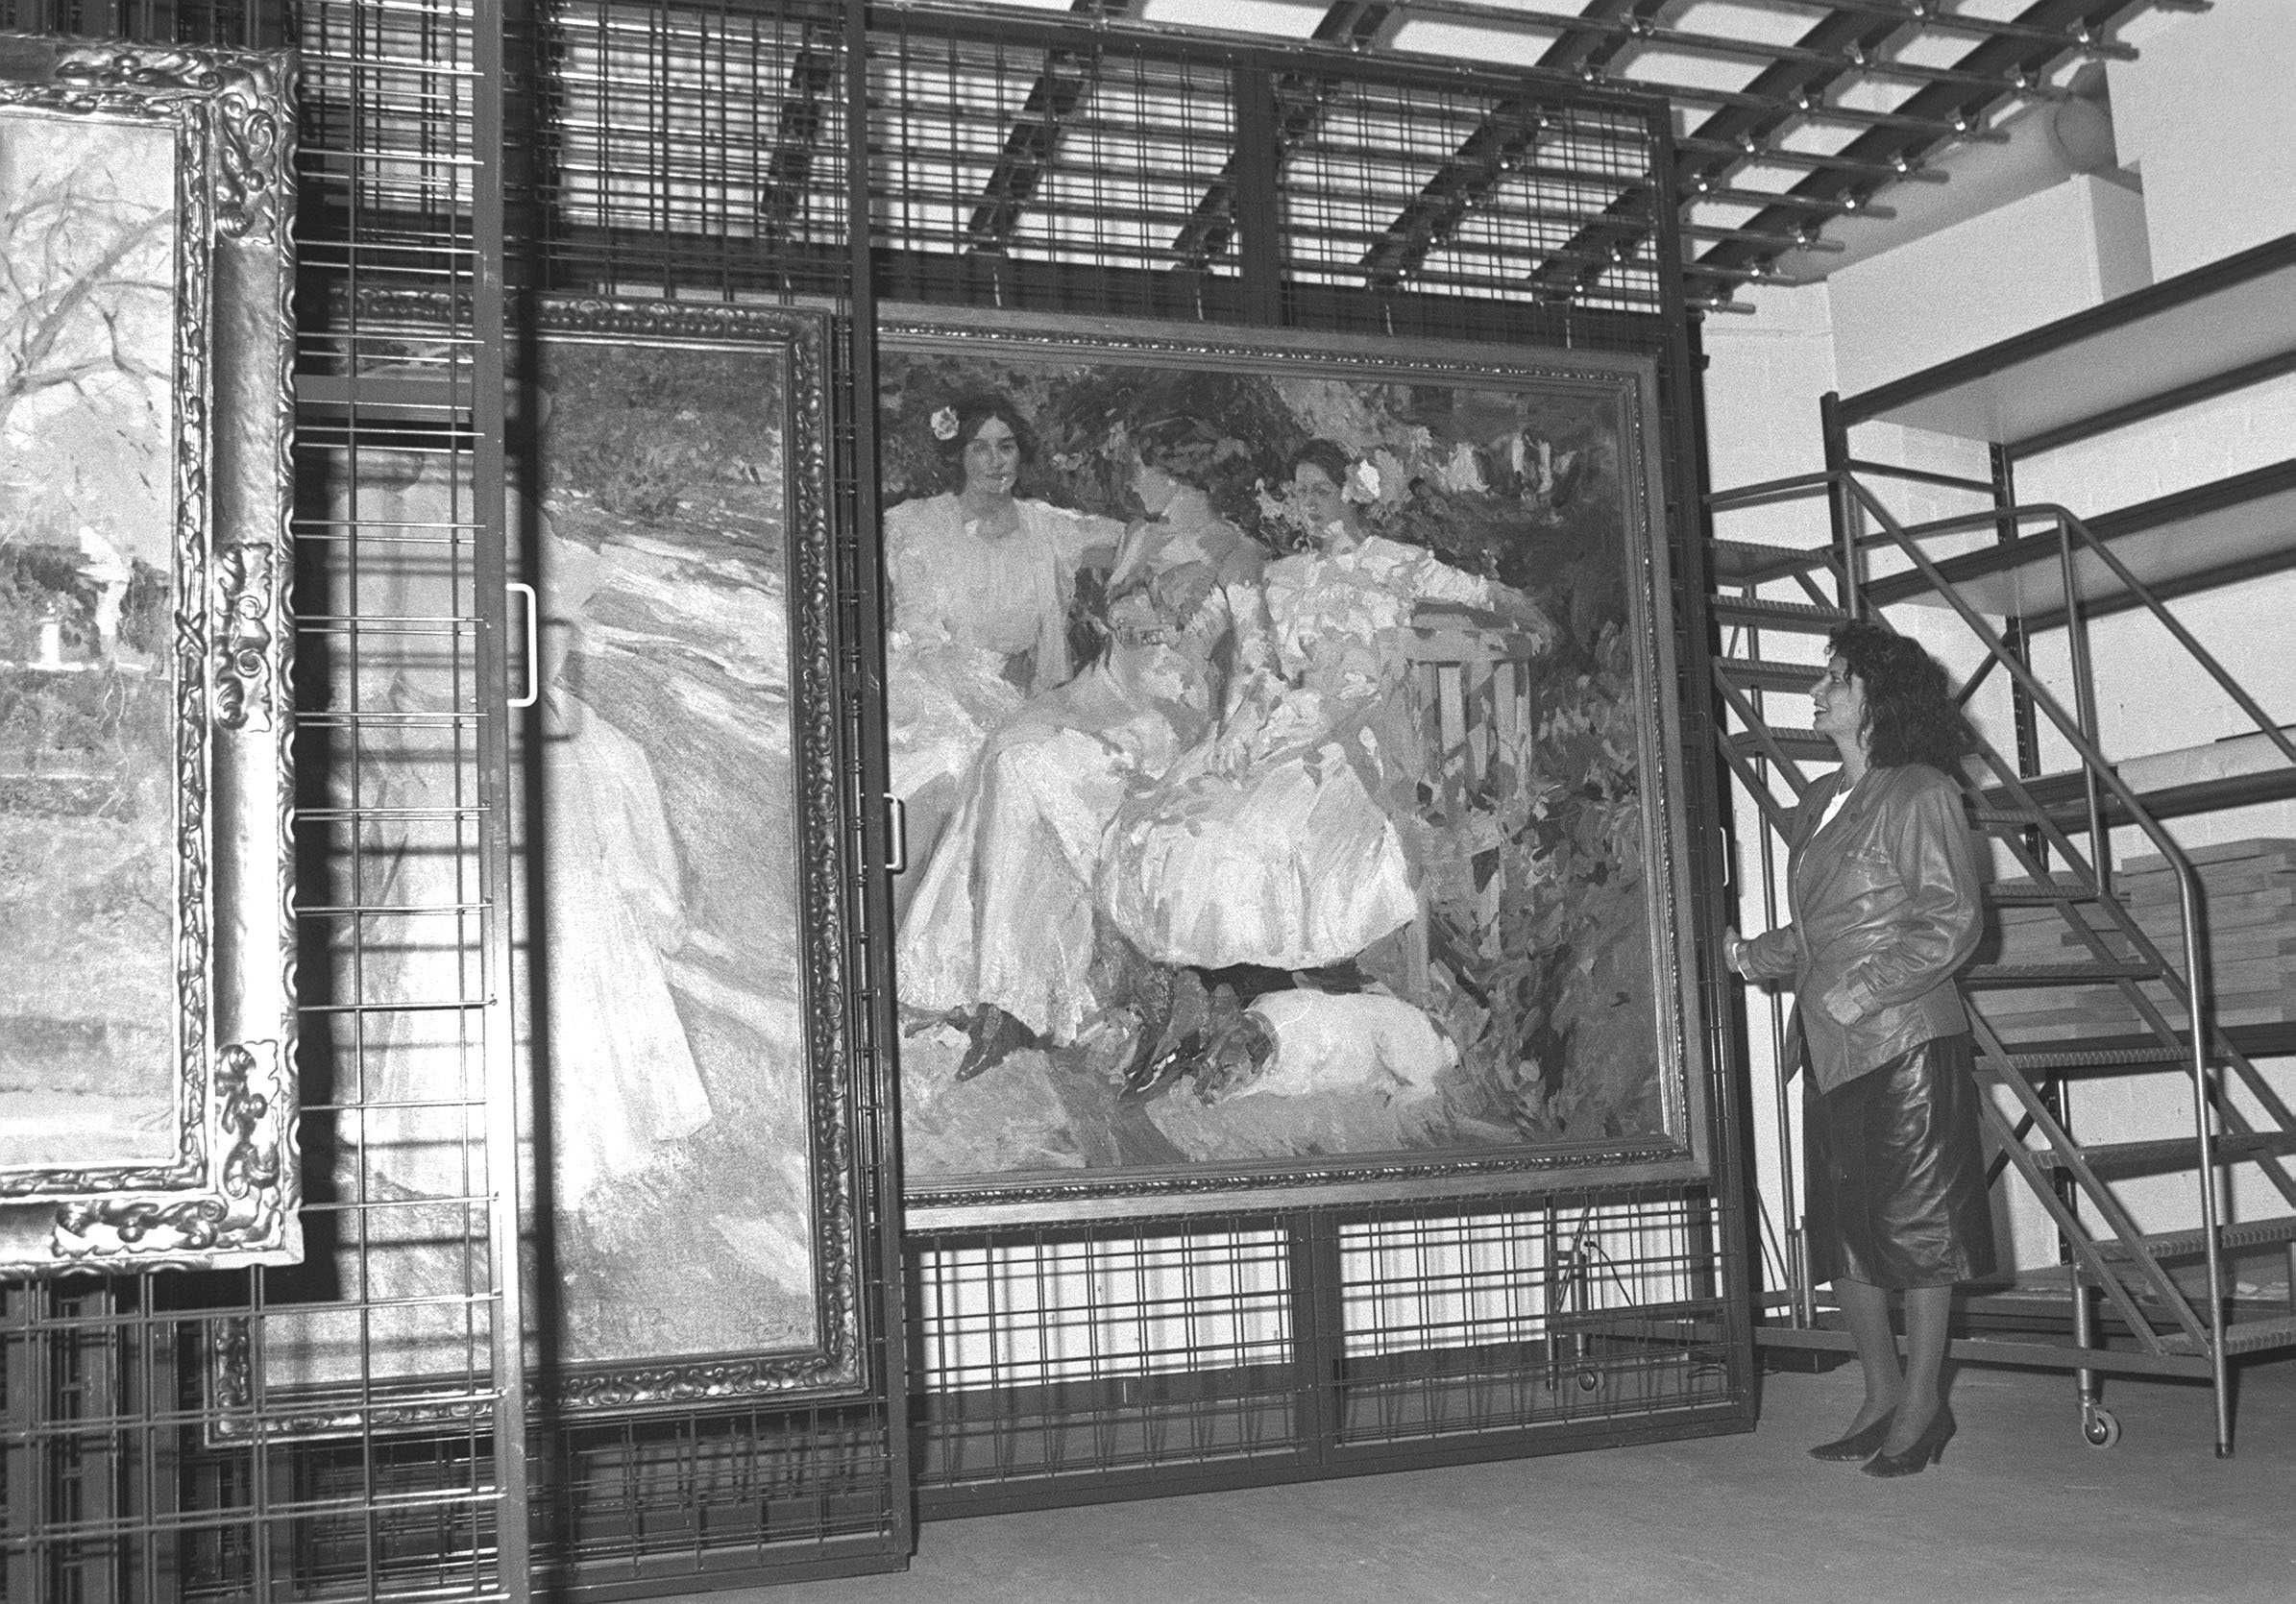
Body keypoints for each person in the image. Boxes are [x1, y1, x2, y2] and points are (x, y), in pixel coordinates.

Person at [895, 417, 1268, 1079]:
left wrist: (1235, 732)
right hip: (1100, 696)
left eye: (1143, 468)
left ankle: (1017, 997)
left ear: (1181, 475)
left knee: (1030, 767)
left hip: (1166, 717)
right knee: (1006, 754)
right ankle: (993, 989)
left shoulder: (1236, 555)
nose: (1134, 480)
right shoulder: (1140, 537)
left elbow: (1257, 667)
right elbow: (1107, 643)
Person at [1097, 438, 1551, 981]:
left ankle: (1274, 972)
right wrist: (1238, 723)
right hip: (1290, 719)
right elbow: (1260, 664)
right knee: (1176, 820)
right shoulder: (1285, 576)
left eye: (1320, 490)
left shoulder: (1393, 561)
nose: (1307, 504)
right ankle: (1217, 974)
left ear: (1351, 491)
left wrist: (1535, 626)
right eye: (1299, 492)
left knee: (1270, 829)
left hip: (1365, 727)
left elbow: (1484, 593)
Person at [1724, 620, 1991, 1478]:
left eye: (1837, 677)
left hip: (1904, 1045)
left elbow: (1951, 919)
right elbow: (1824, 931)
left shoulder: (1920, 791)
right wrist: (1747, 956)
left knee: (1919, 1235)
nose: (1818, 690)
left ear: (1880, 696)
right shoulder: (1820, 802)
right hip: (1832, 1048)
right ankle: (1879, 1397)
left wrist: (1865, 991)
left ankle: (1923, 1408)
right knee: (1844, 1238)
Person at [881, 396, 1122, 875]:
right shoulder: (918, 525)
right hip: (941, 696)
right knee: (948, 773)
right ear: (959, 455)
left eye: (1006, 447)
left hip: (1031, 698)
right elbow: (917, 633)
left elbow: (1134, 541)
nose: (996, 461)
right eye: (981, 448)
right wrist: (982, 688)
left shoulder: (1046, 526)